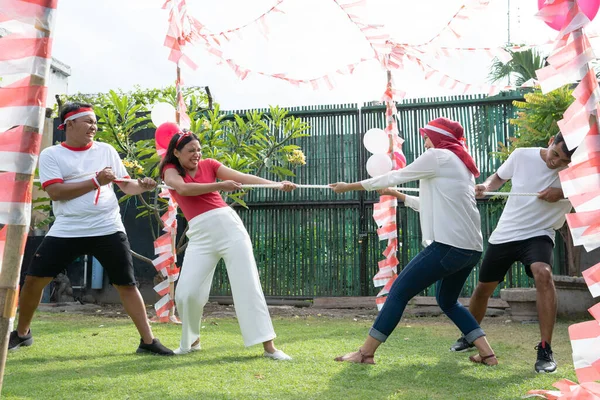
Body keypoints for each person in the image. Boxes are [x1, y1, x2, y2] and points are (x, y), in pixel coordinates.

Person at [9, 102, 173, 355]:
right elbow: (55, 192)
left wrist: (143, 185)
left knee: (127, 285)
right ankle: (22, 334)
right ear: (69, 125)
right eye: (88, 121)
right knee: (33, 281)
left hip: (107, 227)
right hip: (67, 229)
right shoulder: (52, 154)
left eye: (95, 122)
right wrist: (96, 181)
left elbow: (126, 186)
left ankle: (148, 341)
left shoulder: (106, 150)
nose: (93, 126)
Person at [330, 117, 497, 366]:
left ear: (439, 138)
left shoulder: (438, 156)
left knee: (398, 292)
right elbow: (432, 205)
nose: (425, 143)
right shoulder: (461, 164)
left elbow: (394, 175)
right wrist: (397, 195)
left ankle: (365, 353)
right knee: (447, 301)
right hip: (470, 250)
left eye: (427, 137)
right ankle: (488, 354)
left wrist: (349, 186)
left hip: (449, 246)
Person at [160, 131, 295, 359]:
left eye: (198, 149)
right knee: (186, 293)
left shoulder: (209, 165)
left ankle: (269, 348)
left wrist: (276, 184)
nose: (196, 154)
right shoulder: (170, 171)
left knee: (247, 284)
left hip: (228, 227)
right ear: (176, 152)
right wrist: (219, 185)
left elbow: (241, 176)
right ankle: (191, 342)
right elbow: (182, 189)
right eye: (191, 150)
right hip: (200, 234)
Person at [449, 132, 575, 374]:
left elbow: (592, 192)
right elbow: (498, 178)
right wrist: (485, 187)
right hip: (507, 233)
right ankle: (469, 335)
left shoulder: (580, 172)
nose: (555, 162)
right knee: (483, 288)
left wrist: (562, 193)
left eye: (563, 161)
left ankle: (545, 349)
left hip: (540, 233)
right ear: (550, 141)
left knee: (543, 273)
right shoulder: (522, 156)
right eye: (555, 154)